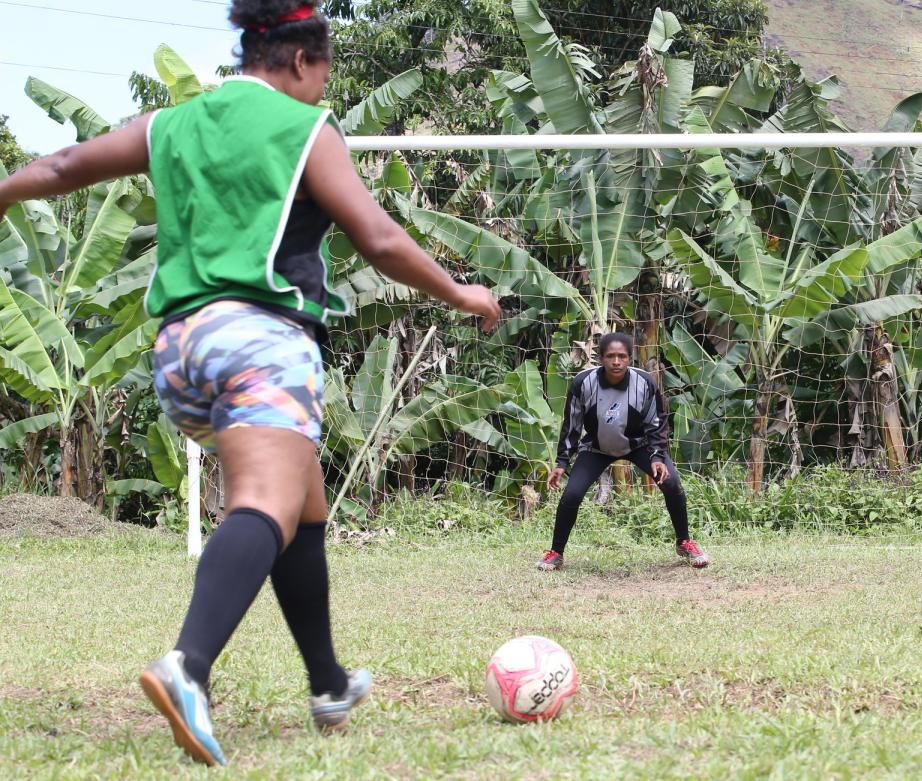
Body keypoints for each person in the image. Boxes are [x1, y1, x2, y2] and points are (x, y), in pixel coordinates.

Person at [0, 0, 500, 767]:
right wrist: (462, 294)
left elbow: (65, 167)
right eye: (323, 74)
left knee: (303, 506)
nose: (321, 87)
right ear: (302, 61)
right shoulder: (305, 128)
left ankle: (328, 683)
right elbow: (379, 237)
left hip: (178, 353)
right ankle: (188, 667)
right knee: (263, 503)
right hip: (261, 341)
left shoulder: (175, 122)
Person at [540, 332, 710, 571]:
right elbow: (572, 425)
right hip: (596, 448)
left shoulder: (644, 382)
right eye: (611, 356)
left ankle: (684, 542)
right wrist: (561, 463)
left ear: (630, 358)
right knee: (572, 495)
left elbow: (657, 422)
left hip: (639, 445)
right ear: (600, 358)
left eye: (622, 356)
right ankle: (556, 553)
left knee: (671, 484)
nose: (616, 361)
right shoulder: (583, 383)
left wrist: (658, 456)